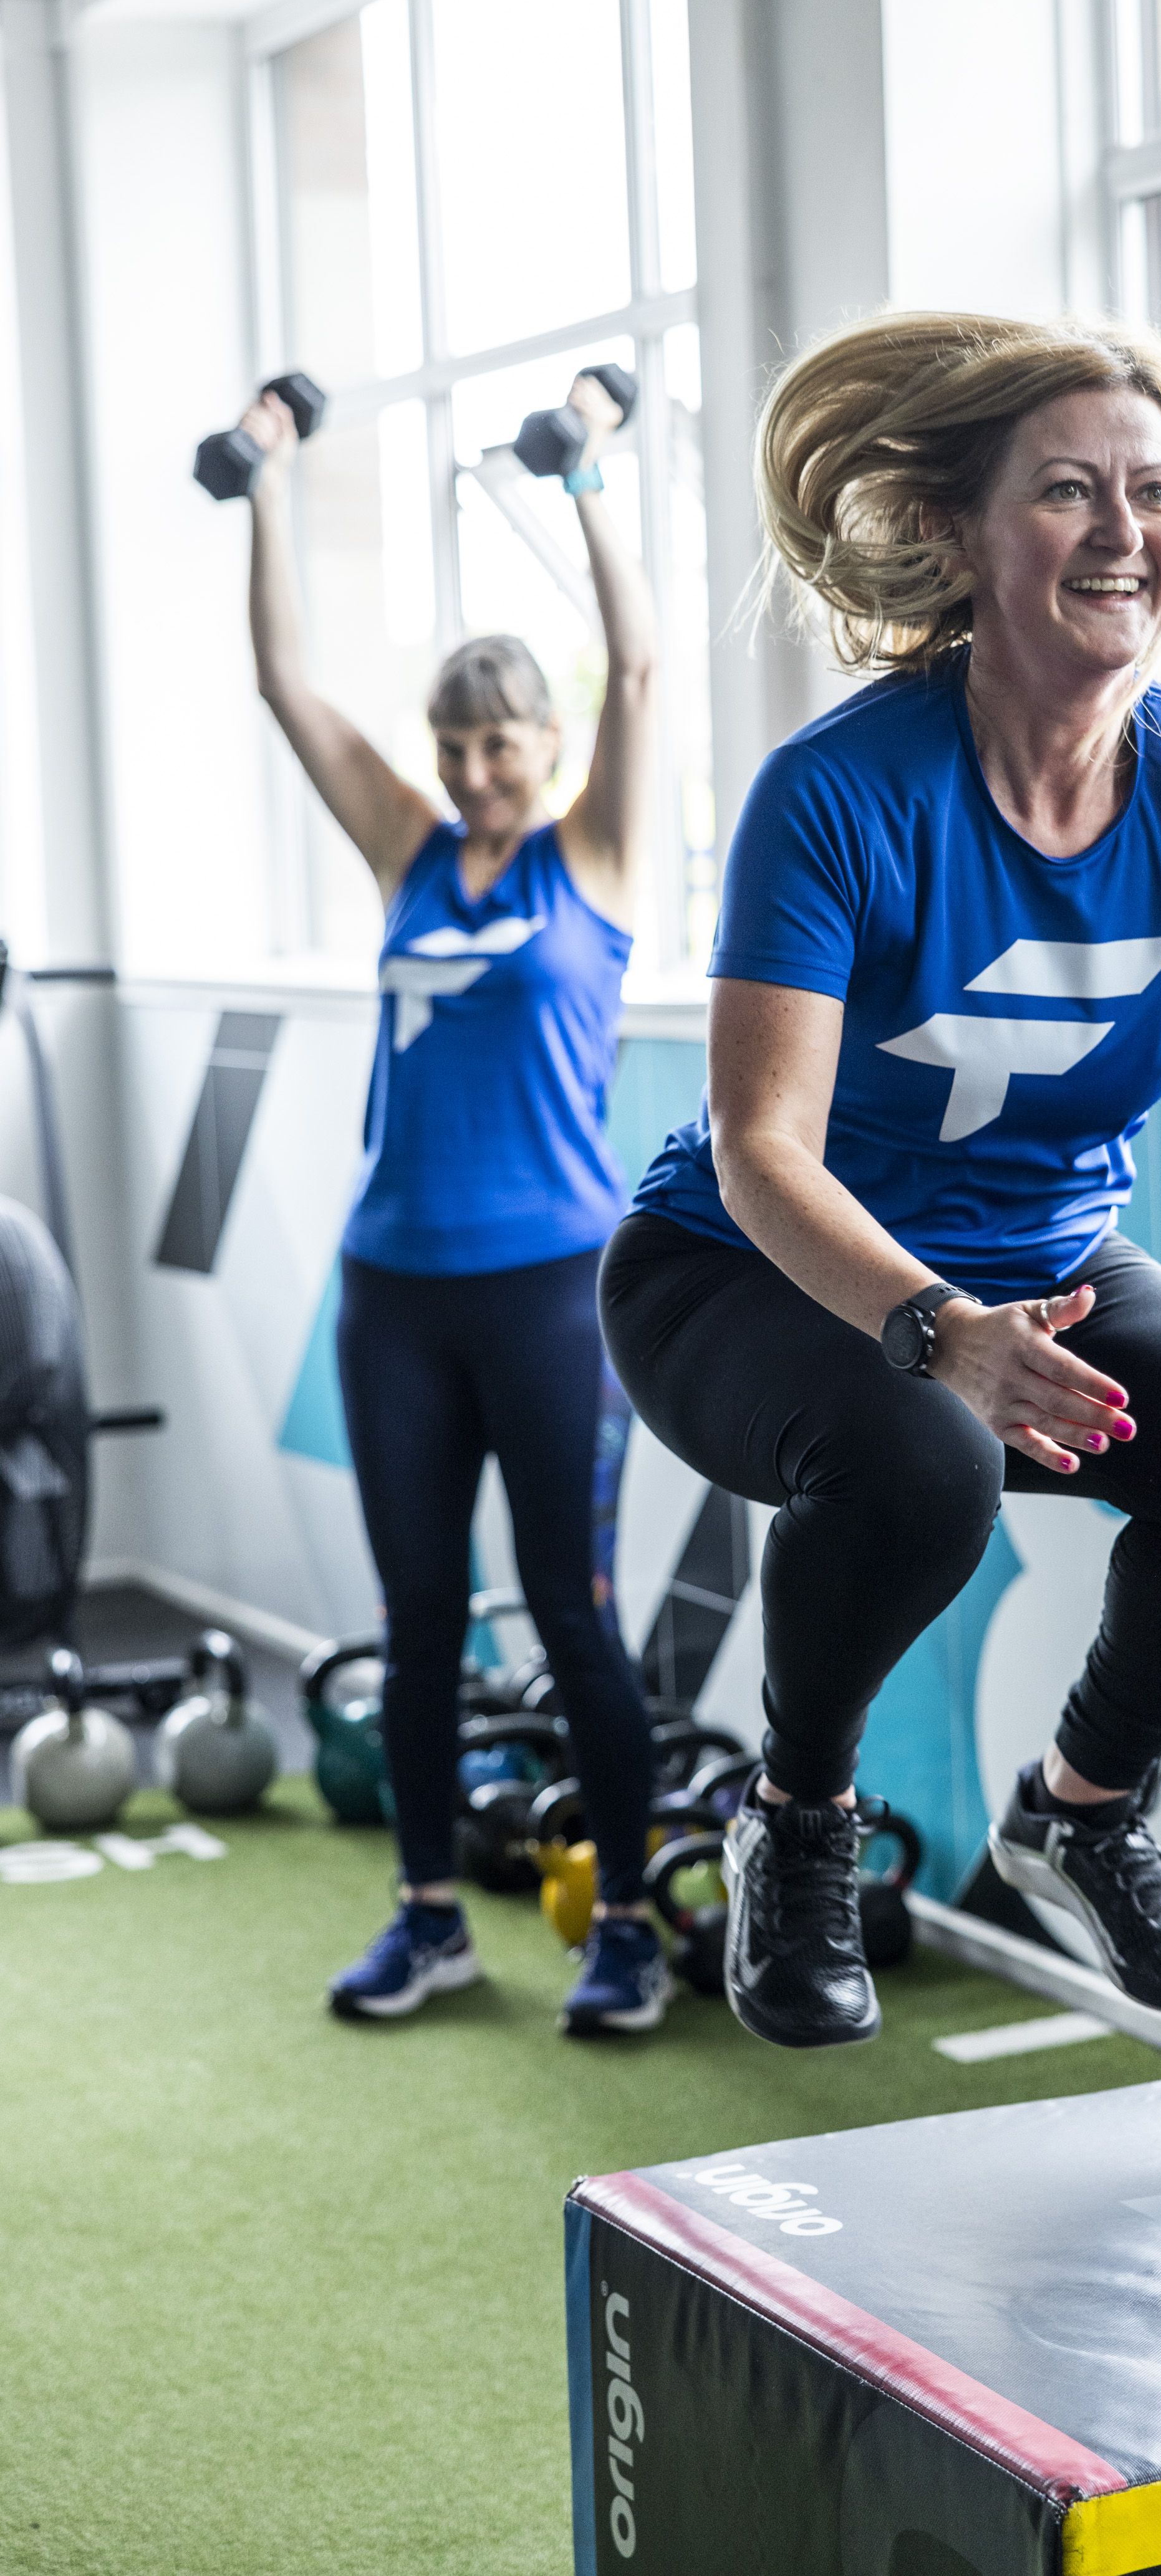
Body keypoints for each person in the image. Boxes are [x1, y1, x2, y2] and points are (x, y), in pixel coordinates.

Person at [600, 310, 1161, 2053]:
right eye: (1067, 492)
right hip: (741, 1274)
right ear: (957, 535)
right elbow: (759, 1144)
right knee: (922, 1459)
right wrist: (939, 1329)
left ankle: (1082, 1813)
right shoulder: (837, 794)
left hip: (1045, 1264)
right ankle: (799, 1821)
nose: (1123, 530)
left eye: (1153, 493)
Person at [242, 368, 670, 2035]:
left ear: (550, 745)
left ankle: (625, 1926)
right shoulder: (408, 853)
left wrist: (586, 478)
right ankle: (428, 1918)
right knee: (419, 1626)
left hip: (551, 1295)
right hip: (394, 1295)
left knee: (574, 1620)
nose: (481, 769)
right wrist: (269, 479)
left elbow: (641, 665)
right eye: (458, 745)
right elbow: (286, 685)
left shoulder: (593, 861)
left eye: (504, 743)